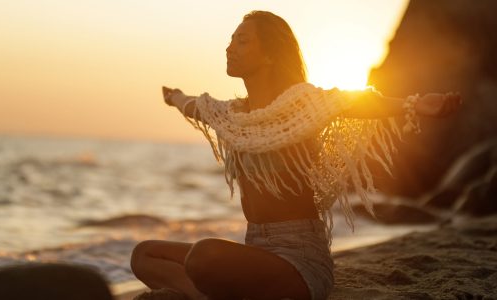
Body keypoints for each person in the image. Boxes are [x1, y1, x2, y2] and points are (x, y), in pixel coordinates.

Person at [130, 10, 461, 300]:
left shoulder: (301, 105)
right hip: (256, 249)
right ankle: (206, 294)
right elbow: (196, 106)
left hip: (299, 259)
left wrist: (414, 103)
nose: (230, 47)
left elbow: (354, 102)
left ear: (271, 54)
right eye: (231, 40)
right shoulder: (233, 116)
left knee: (203, 256)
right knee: (143, 255)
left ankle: (214, 289)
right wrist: (173, 97)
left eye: (242, 40)